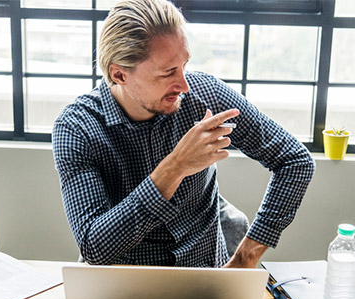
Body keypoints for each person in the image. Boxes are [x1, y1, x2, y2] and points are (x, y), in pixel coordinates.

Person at [52, 0, 315, 268]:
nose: (184, 85)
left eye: (184, 65)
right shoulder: (77, 129)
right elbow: (94, 247)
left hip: (208, 278)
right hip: (127, 285)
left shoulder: (204, 97)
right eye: (168, 73)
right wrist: (175, 166)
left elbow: (295, 161)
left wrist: (247, 256)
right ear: (119, 74)